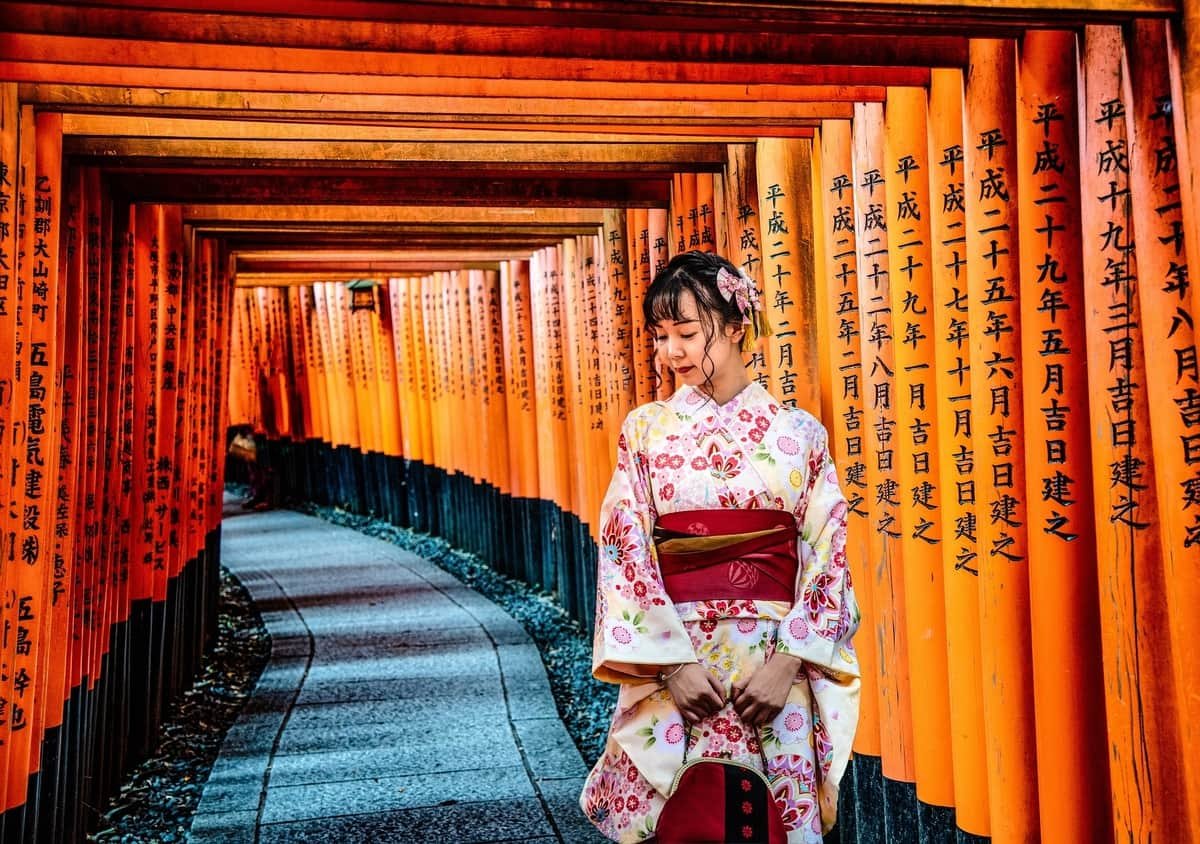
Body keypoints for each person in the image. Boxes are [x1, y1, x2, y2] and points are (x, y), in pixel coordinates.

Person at [580, 251, 860, 843]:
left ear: (736, 326)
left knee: (774, 819)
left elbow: (826, 548)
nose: (670, 352)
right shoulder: (646, 429)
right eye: (660, 336)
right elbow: (625, 547)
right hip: (681, 657)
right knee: (684, 815)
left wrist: (789, 661)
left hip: (775, 663)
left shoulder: (799, 432)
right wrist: (673, 665)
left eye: (686, 332)